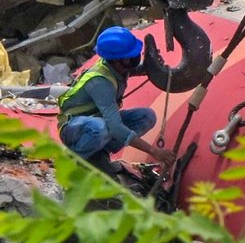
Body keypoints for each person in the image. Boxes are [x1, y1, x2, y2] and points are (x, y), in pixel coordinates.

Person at [57, 27, 176, 173]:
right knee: (101, 129)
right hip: (74, 127)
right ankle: (74, 159)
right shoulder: (100, 82)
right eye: (130, 56)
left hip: (97, 120)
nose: (134, 58)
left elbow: (135, 69)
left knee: (146, 117)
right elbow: (115, 127)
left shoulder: (118, 67)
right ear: (117, 61)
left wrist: (151, 67)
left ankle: (98, 155)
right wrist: (153, 151)